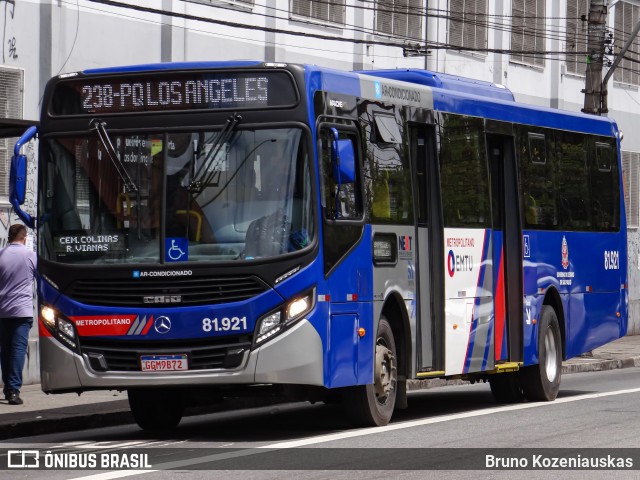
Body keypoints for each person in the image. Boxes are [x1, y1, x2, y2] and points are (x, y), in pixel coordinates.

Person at [0, 224, 37, 405]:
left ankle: (8, 388)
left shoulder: (1, 255)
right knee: (17, 351)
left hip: (2, 311)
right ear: (24, 237)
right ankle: (13, 390)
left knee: (5, 351)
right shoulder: (30, 256)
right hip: (22, 311)